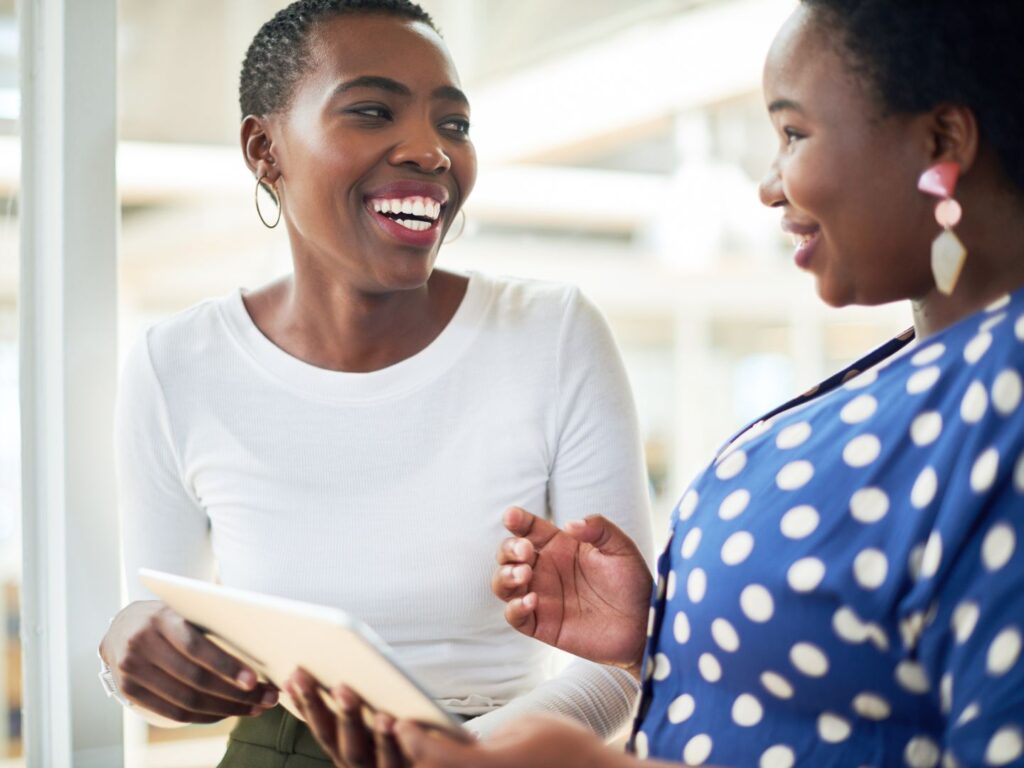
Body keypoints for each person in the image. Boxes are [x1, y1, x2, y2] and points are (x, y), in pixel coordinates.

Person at [289, 1, 1024, 765]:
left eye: (794, 134)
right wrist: (664, 628)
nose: (770, 186)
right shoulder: (925, 364)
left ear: (941, 142)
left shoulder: (1007, 389)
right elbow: (850, 683)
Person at [97, 1, 654, 766]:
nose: (430, 151)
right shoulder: (176, 364)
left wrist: (449, 757)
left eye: (453, 124)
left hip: (501, 754)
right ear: (264, 149)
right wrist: (129, 647)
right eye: (371, 111)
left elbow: (620, 658)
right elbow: (166, 628)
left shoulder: (552, 335)